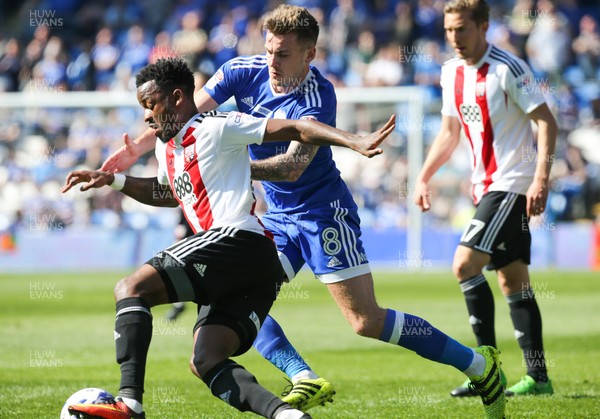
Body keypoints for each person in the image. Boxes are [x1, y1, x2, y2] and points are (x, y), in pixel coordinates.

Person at [60, 57, 394, 419]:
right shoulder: (165, 147)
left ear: (176, 98)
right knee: (205, 359)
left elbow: (296, 128)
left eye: (150, 104)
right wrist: (116, 181)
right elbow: (170, 192)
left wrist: (353, 140)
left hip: (238, 241)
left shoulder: (217, 126)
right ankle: (287, 415)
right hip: (251, 270)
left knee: (130, 289)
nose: (145, 116)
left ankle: (129, 404)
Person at [414, 0, 557, 398]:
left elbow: (546, 121)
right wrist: (424, 176)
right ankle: (539, 378)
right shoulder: (449, 73)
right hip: (484, 189)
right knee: (514, 281)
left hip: (511, 184)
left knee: (464, 264)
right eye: (448, 31)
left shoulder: (508, 69)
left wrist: (541, 178)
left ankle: (484, 370)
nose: (454, 38)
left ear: (484, 26)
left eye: (461, 29)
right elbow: (448, 132)